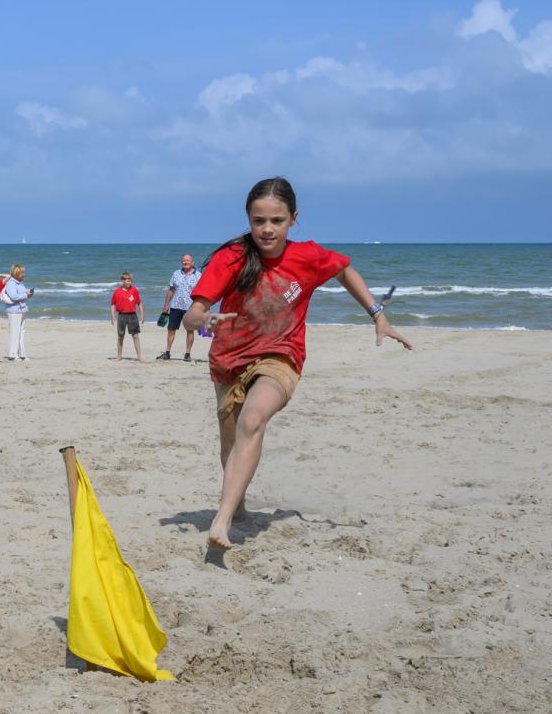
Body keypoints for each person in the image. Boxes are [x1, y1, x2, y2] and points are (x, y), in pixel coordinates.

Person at [183, 177, 413, 549]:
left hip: (281, 355)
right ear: (248, 218)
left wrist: (378, 315)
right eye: (259, 221)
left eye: (277, 220)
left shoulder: (307, 256)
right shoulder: (233, 257)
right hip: (229, 361)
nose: (267, 229)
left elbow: (344, 271)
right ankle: (236, 506)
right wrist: (204, 319)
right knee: (231, 445)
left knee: (253, 419)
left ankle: (220, 521)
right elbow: (192, 316)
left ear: (293, 218)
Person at [157, 254, 202, 361]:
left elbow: (201, 293)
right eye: (184, 261)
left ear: (192, 262)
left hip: (190, 308)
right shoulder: (176, 274)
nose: (185, 262)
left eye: (187, 260)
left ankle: (187, 354)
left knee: (190, 330)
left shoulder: (199, 276)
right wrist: (166, 304)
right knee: (171, 330)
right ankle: (167, 353)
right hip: (175, 306)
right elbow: (171, 290)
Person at [0, 264, 34, 361]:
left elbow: (21, 294)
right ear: (16, 273)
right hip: (14, 310)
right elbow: (13, 296)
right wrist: (26, 295)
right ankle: (12, 354)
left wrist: (28, 293)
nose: (24, 274)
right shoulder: (11, 283)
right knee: (14, 332)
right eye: (22, 273)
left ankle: (21, 354)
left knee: (22, 332)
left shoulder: (20, 283)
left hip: (22, 309)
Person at [110, 271, 144, 362]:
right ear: (123, 281)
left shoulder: (134, 290)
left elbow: (139, 303)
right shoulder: (117, 292)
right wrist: (113, 317)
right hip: (121, 315)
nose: (130, 282)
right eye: (128, 281)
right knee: (120, 336)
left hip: (132, 315)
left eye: (130, 281)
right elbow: (113, 304)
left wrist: (142, 315)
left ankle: (139, 357)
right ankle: (119, 356)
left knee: (135, 336)